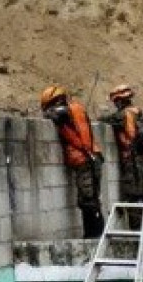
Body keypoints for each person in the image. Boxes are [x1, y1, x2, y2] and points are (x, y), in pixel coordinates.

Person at [40, 85, 104, 238]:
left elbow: (51, 115)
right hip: (92, 157)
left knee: (87, 199)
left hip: (84, 159)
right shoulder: (76, 109)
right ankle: (96, 234)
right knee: (92, 198)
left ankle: (93, 235)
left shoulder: (65, 111)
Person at [99, 84, 143, 229]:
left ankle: (136, 228)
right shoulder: (139, 112)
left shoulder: (123, 114)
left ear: (119, 101)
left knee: (133, 194)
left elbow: (103, 120)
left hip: (133, 160)